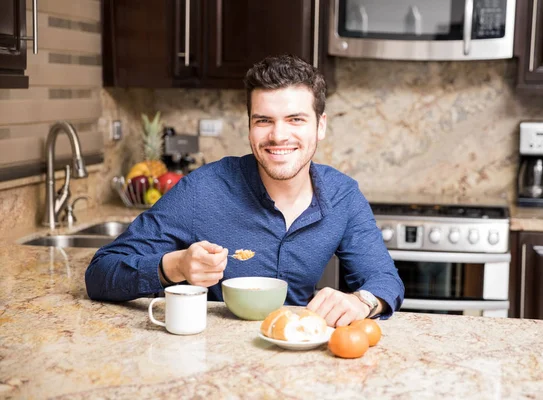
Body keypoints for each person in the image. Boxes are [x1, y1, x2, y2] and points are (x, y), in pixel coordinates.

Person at [85, 54, 404, 326]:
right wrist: (176, 266)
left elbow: (384, 279)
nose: (279, 135)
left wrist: (362, 302)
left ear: (320, 126)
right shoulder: (202, 190)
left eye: (295, 119)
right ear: (249, 125)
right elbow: (101, 273)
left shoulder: (343, 196)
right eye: (264, 120)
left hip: (300, 354)